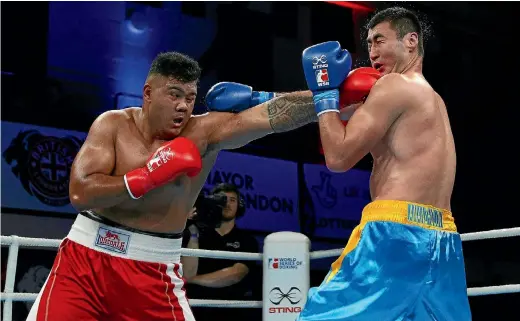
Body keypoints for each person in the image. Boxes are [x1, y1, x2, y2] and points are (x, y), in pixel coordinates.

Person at [26, 52, 322, 321]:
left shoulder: (203, 131)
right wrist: (147, 176)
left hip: (152, 270)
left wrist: (332, 95)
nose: (183, 105)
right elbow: (80, 193)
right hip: (84, 263)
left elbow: (273, 115)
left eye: (191, 97)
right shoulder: (113, 125)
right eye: (174, 94)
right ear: (148, 93)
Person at [297, 7, 471, 321]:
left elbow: (338, 157)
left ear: (411, 41)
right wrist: (262, 98)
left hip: (394, 233)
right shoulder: (432, 99)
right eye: (369, 44)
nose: (372, 52)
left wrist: (324, 91)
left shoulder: (391, 87)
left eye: (379, 40)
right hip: (443, 238)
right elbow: (342, 114)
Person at [182, 183, 259, 320]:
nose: (227, 203)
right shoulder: (195, 233)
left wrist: (193, 280)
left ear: (239, 206)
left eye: (232, 200)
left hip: (233, 313)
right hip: (197, 310)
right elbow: (187, 272)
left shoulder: (247, 241)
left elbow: (236, 274)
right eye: (222, 199)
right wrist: (192, 229)